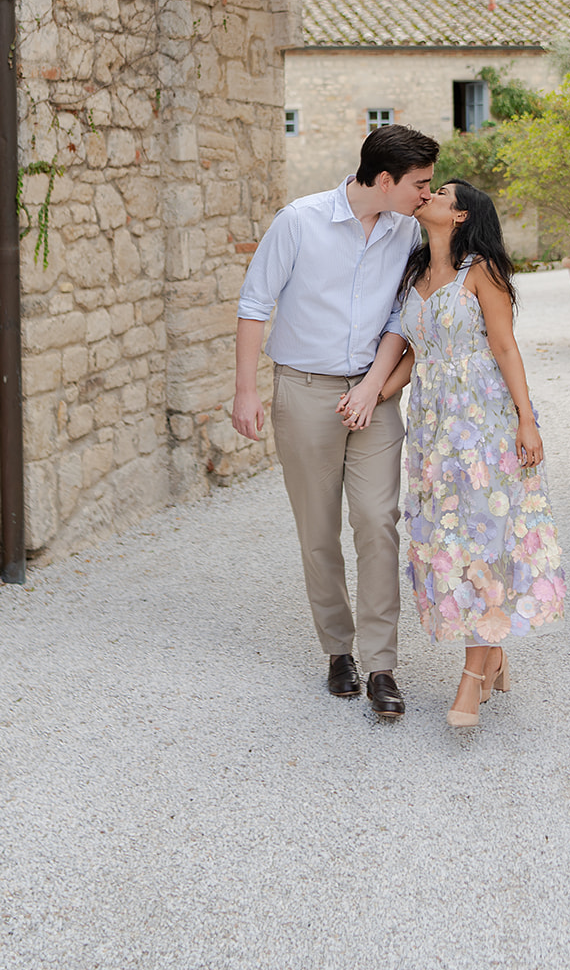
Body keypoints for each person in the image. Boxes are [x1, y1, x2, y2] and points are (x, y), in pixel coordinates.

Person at [233, 124, 439, 718]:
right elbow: (254, 305)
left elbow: (406, 316)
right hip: (303, 392)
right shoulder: (299, 221)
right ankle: (338, 651)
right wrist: (246, 391)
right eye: (419, 185)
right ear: (383, 180)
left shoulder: (408, 231)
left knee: (378, 520)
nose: (425, 195)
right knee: (318, 531)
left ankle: (381, 664)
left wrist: (375, 387)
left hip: (374, 397)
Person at [380, 179, 565, 727]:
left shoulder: (481, 270)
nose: (429, 195)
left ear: (460, 216)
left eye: (440, 193)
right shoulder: (413, 274)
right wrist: (376, 396)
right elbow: (420, 352)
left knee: (485, 536)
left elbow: (504, 346)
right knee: (447, 537)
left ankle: (472, 678)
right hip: (434, 426)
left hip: (483, 420)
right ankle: (495, 654)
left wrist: (527, 423)